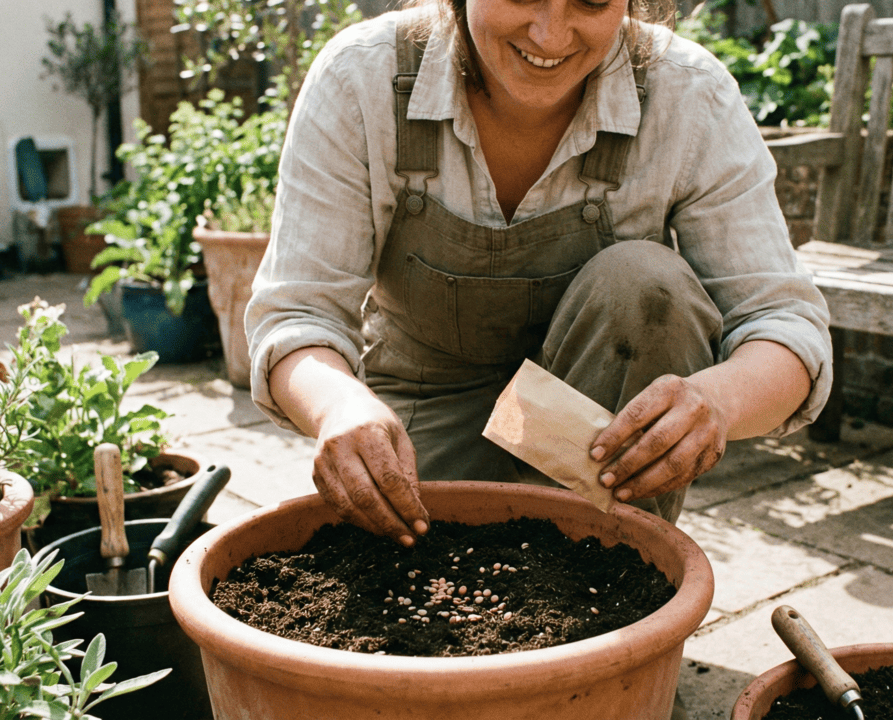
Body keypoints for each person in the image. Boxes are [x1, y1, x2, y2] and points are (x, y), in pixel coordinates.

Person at [248, 0, 830, 563]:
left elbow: (784, 327)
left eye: (592, 2)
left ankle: (604, 569)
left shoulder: (689, 94)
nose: (550, 35)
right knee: (411, 586)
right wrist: (340, 407)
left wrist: (717, 402)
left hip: (595, 443)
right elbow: (297, 316)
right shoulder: (362, 77)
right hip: (422, 420)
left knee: (648, 285)